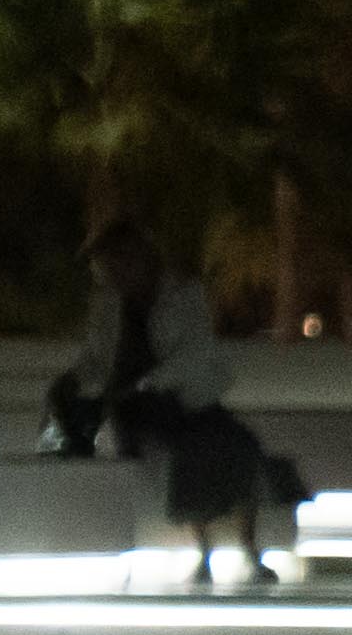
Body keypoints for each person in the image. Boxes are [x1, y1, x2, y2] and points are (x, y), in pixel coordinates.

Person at [51, 222, 284, 588]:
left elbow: (194, 351)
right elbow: (97, 356)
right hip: (133, 405)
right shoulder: (107, 302)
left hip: (182, 395)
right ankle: (206, 550)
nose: (111, 275)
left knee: (240, 446)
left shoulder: (184, 293)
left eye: (116, 264)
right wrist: (81, 381)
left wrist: (149, 381)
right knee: (188, 452)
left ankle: (249, 550)